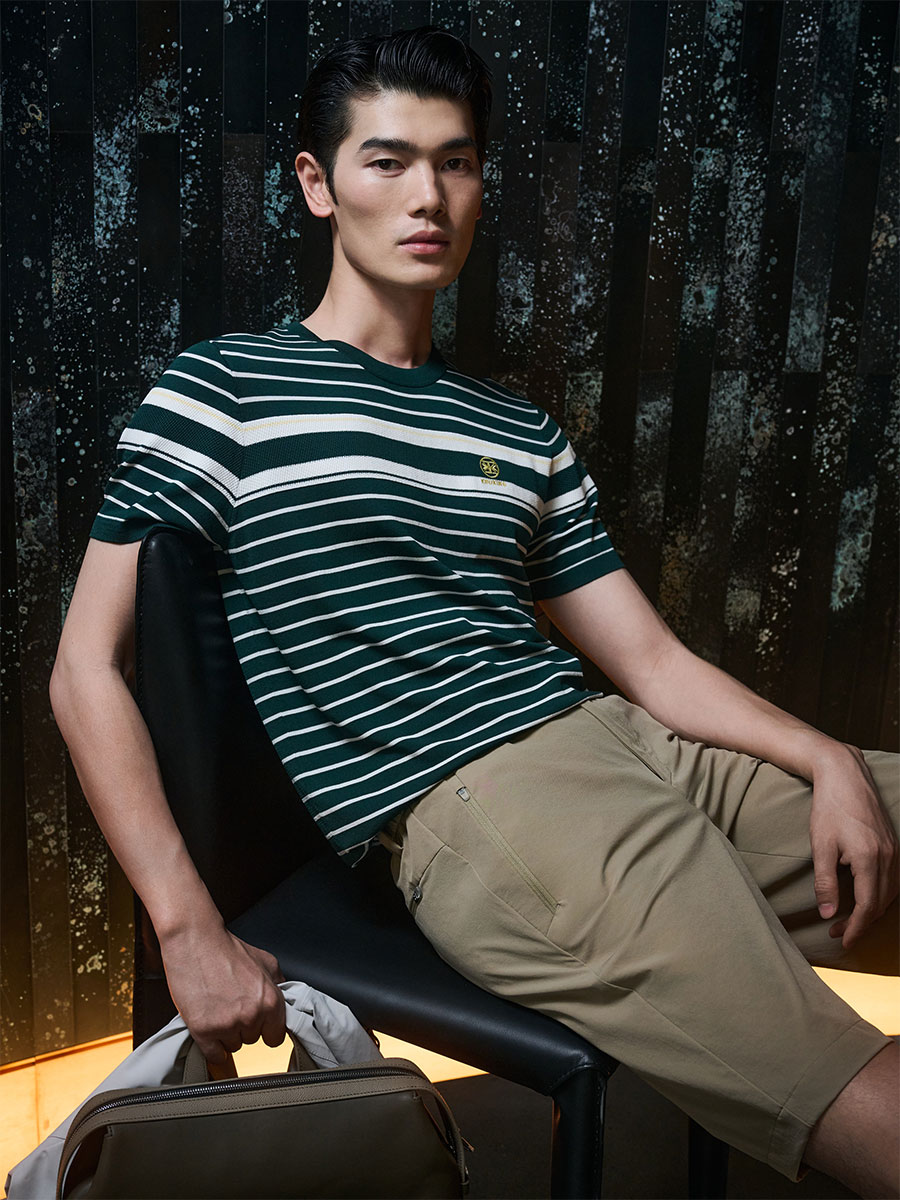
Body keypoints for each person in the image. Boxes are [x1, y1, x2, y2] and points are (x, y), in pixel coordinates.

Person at [50, 24, 898, 1198]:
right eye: (388, 161)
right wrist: (185, 922)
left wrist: (827, 759)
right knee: (845, 1075)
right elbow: (85, 670)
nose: (428, 195)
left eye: (455, 163)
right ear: (318, 185)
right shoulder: (223, 390)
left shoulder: (517, 429)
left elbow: (652, 661)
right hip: (487, 798)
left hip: (634, 743)